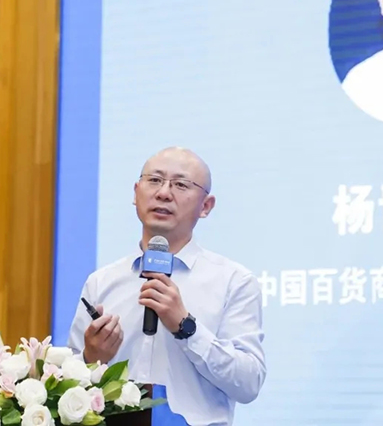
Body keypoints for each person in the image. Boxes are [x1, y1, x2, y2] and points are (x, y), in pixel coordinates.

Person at [67, 147, 266, 426]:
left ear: (206, 206)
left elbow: (248, 383)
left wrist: (186, 327)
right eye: (154, 180)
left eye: (181, 185)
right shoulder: (101, 282)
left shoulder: (234, 281)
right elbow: (67, 384)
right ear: (136, 193)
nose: (163, 193)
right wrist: (92, 358)